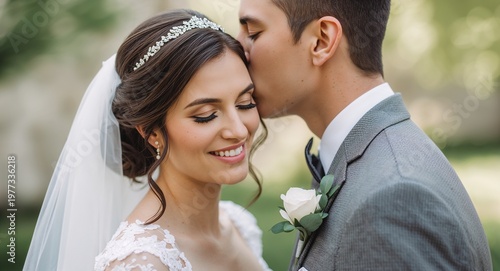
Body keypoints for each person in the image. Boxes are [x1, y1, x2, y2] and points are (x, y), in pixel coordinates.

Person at [237, 1, 493, 271]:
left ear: (321, 40)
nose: (237, 51)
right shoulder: (371, 164)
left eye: (253, 33)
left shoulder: (393, 200)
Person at [24, 9, 271, 271]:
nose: (239, 130)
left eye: (245, 103)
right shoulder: (141, 263)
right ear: (151, 132)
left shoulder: (237, 225)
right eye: (206, 115)